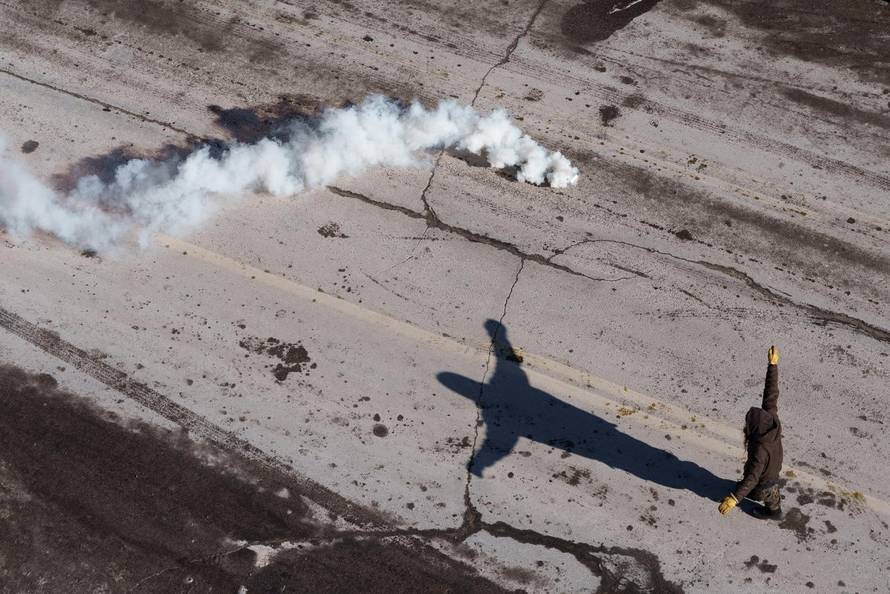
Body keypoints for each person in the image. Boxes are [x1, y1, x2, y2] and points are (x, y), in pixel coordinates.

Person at [718, 346, 784, 519]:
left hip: (762, 481)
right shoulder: (771, 421)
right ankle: (775, 511)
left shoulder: (760, 450)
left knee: (756, 490)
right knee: (771, 491)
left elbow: (753, 478)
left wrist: (733, 498)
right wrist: (772, 365)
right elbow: (771, 393)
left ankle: (769, 508)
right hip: (774, 470)